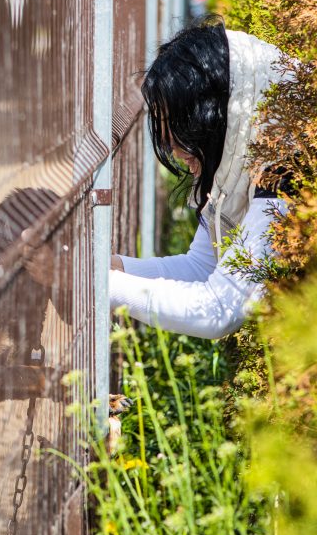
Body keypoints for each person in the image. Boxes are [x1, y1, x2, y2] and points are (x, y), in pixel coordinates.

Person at [110, 17, 288, 339]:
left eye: (177, 127)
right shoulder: (244, 150)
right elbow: (202, 267)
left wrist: (94, 283)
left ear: (216, 113)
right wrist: (115, 269)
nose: (170, 148)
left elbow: (219, 310)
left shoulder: (287, 166)